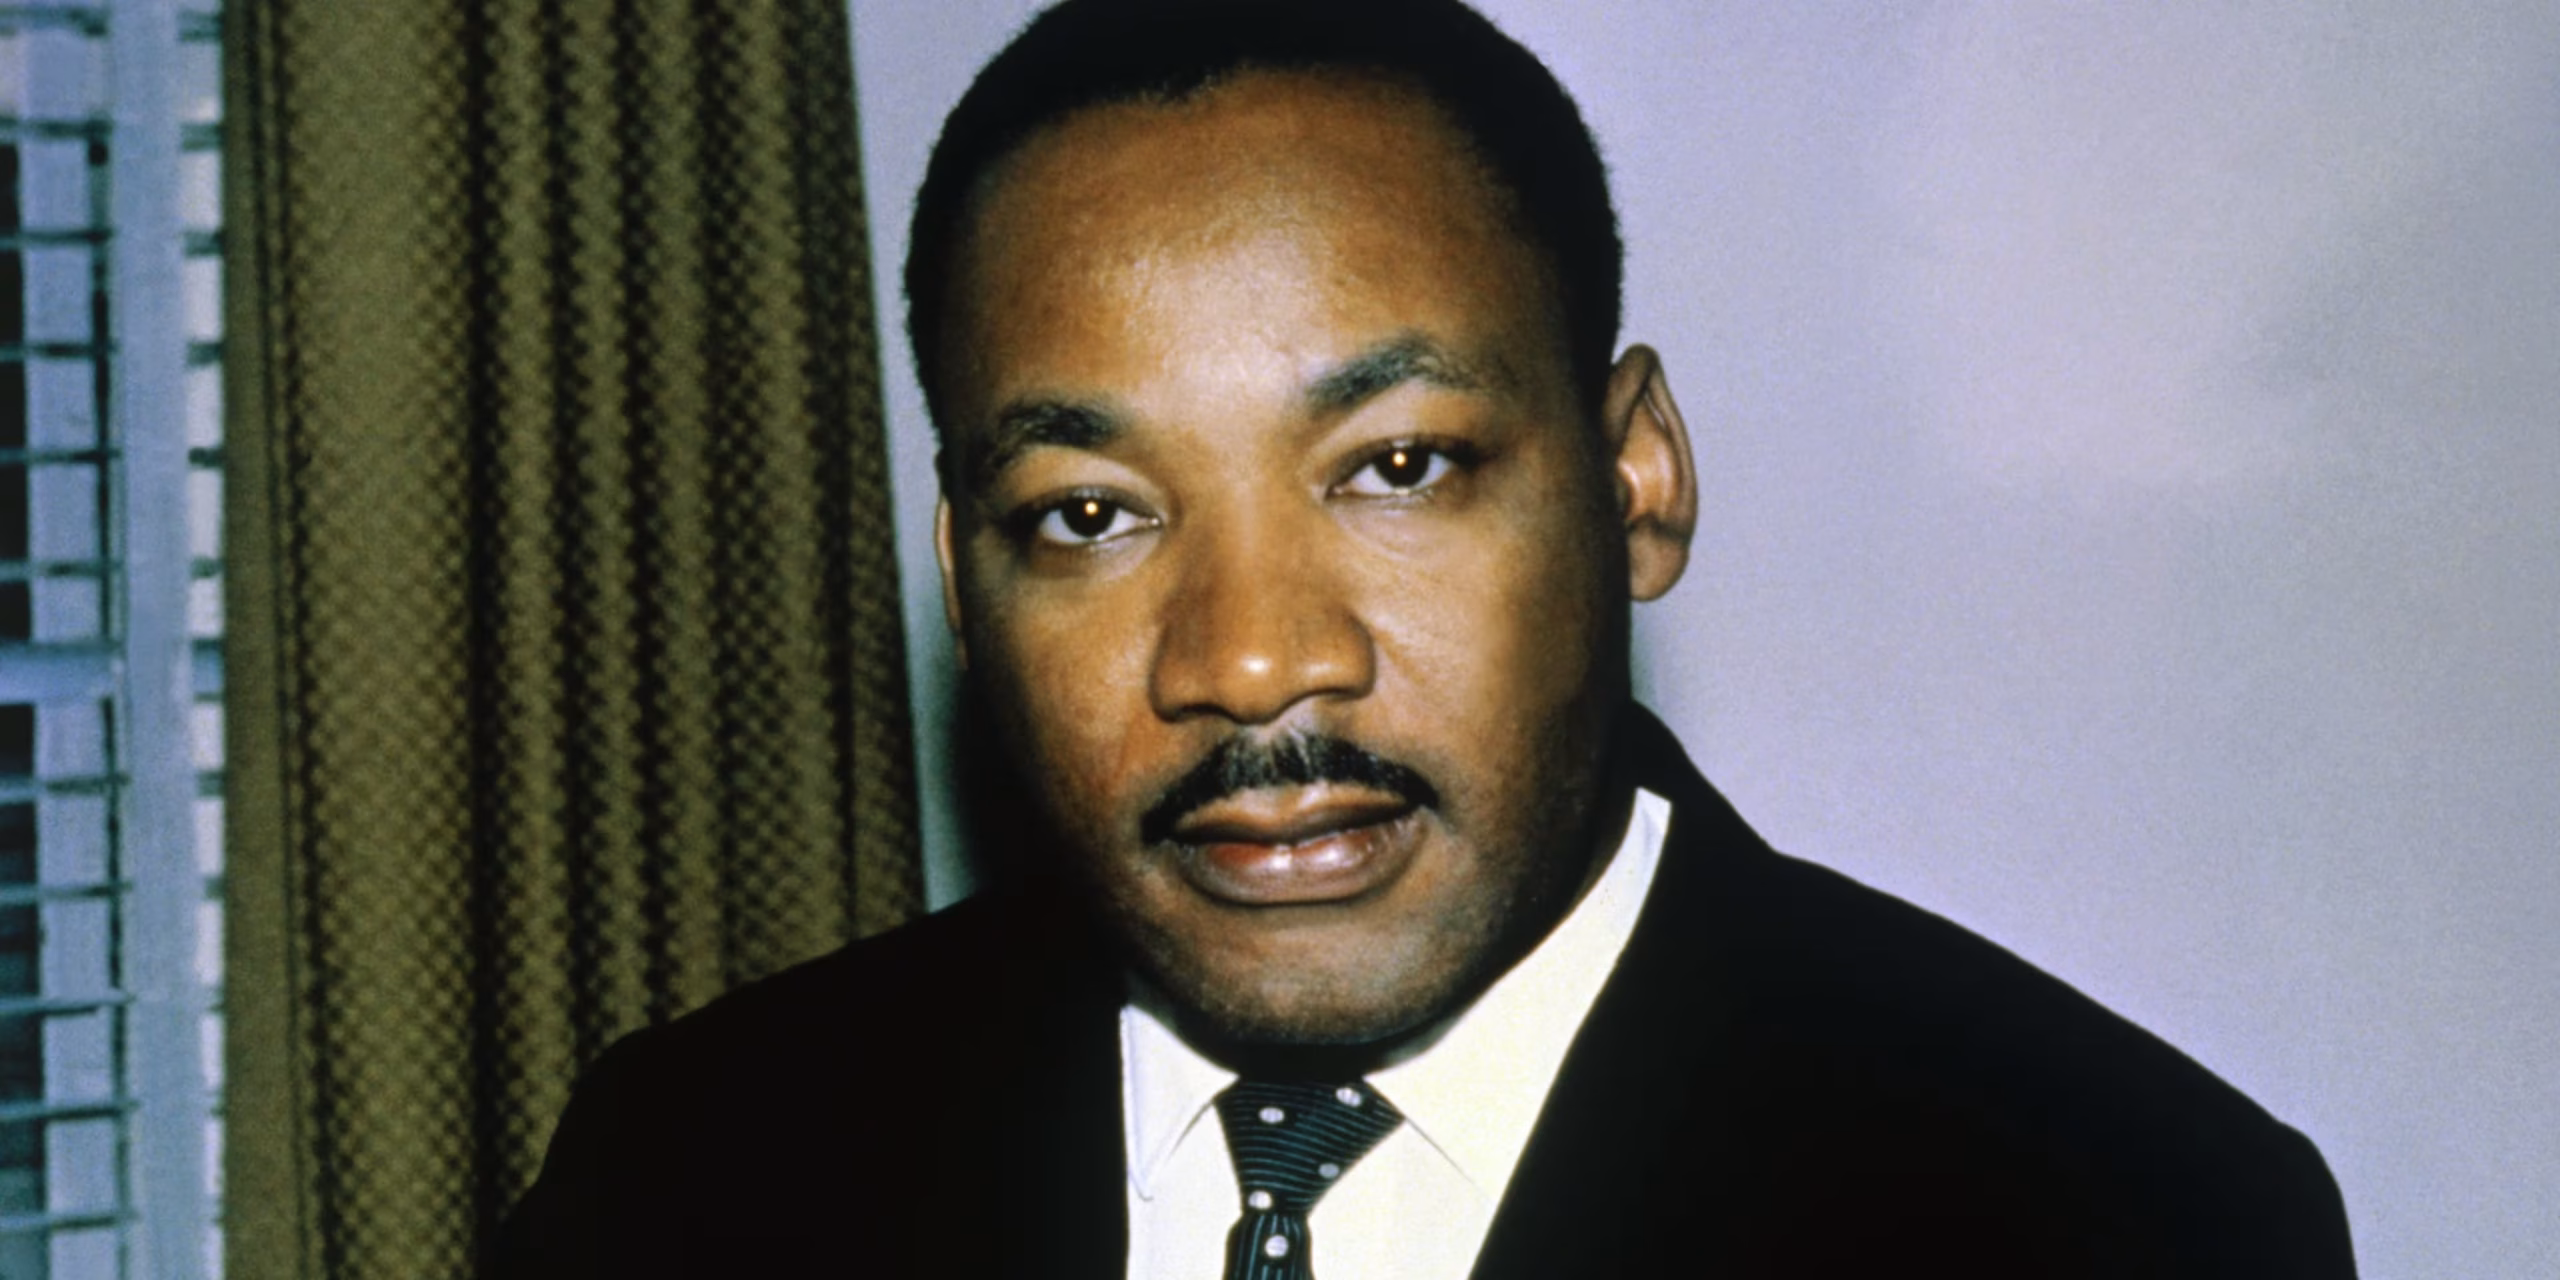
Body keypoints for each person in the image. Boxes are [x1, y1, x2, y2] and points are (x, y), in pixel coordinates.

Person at [493, 0, 2358, 1275]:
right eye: (1090, 513)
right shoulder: (691, 1177)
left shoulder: (2121, 1217)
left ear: (1635, 484)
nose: (1249, 663)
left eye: (1394, 468)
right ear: (966, 581)